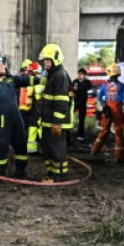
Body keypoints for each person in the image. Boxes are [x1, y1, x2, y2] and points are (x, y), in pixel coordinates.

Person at [0, 54, 36, 178]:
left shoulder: (11, 80)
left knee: (21, 147)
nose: (3, 66)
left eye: (3, 64)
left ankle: (21, 173)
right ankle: (1, 175)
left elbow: (26, 80)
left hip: (17, 120)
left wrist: (43, 79)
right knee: (2, 149)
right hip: (2, 123)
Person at [37, 44, 73, 182]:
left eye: (48, 59)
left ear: (55, 59)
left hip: (56, 122)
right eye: (44, 59)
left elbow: (62, 102)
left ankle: (59, 176)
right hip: (48, 121)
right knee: (48, 150)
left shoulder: (60, 76)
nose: (45, 62)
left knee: (57, 150)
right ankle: (51, 174)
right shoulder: (52, 75)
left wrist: (56, 122)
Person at [91, 63, 124, 162]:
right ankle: (119, 158)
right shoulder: (122, 86)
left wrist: (103, 107)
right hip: (118, 111)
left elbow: (99, 99)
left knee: (104, 131)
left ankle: (94, 151)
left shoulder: (104, 85)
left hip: (107, 110)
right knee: (119, 134)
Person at [18, 60, 41, 154]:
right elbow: (39, 96)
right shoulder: (34, 82)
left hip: (24, 109)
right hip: (34, 110)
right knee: (34, 128)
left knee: (27, 129)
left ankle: (27, 148)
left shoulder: (21, 79)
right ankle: (32, 148)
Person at [71, 68, 93, 142]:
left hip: (83, 102)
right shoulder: (75, 81)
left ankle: (80, 135)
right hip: (75, 102)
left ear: (84, 75)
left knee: (81, 120)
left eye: (81, 74)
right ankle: (69, 133)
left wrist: (80, 87)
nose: (80, 76)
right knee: (70, 117)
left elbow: (89, 88)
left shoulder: (87, 82)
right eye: (79, 74)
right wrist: (74, 89)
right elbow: (71, 90)